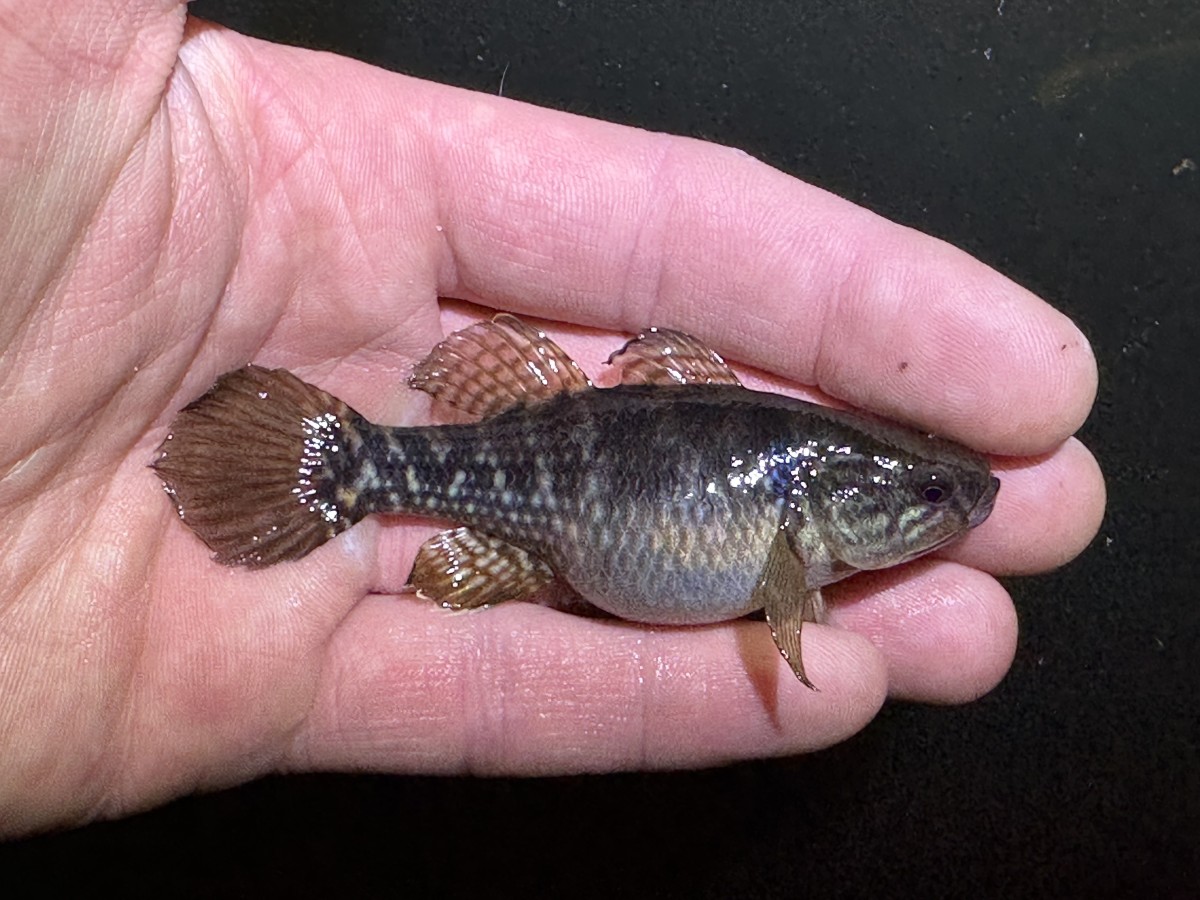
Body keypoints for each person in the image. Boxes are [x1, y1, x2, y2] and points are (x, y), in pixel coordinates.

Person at [0, 1, 1104, 838]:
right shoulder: (795, 544)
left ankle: (365, 472)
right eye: (919, 496)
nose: (943, 510)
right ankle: (355, 469)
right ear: (830, 505)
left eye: (928, 498)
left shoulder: (800, 544)